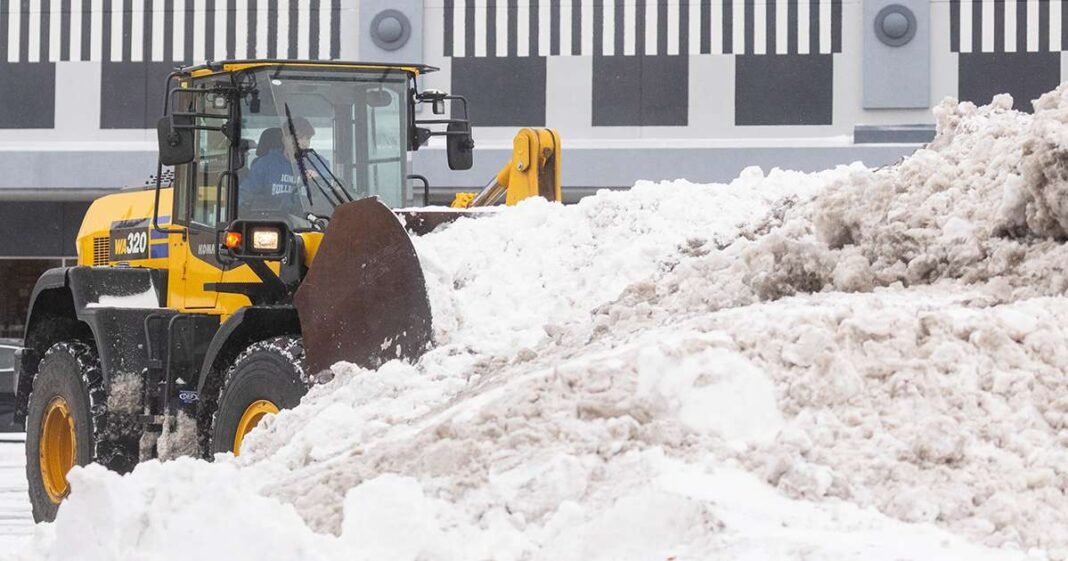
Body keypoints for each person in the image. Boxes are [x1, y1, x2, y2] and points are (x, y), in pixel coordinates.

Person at [241, 117, 330, 215]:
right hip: (272, 221)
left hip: (307, 220)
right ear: (284, 138)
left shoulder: (318, 163)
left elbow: (328, 190)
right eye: (298, 137)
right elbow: (245, 193)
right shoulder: (265, 164)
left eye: (308, 138)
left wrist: (317, 180)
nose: (304, 143)